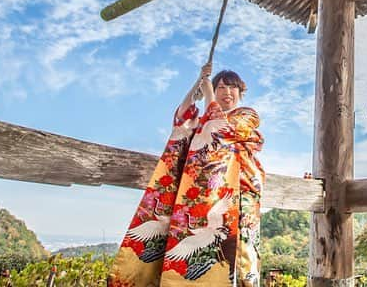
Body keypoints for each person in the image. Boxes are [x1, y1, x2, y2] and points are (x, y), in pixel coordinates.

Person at [108, 63, 265, 287]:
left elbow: (220, 130)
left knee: (242, 252)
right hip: (210, 195)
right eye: (220, 87)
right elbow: (183, 120)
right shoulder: (204, 121)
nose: (226, 92)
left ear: (240, 93)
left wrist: (209, 92)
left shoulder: (247, 116)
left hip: (241, 193)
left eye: (232, 88)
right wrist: (198, 84)